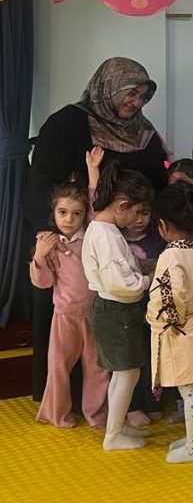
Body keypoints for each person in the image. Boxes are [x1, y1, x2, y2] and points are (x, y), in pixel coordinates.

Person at [25, 57, 169, 403]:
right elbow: (41, 182)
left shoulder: (144, 131)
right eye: (130, 93)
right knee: (69, 331)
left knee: (121, 330)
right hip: (72, 243)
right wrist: (48, 232)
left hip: (132, 239)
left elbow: (158, 181)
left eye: (142, 96)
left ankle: (120, 402)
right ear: (108, 87)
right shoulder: (67, 123)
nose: (135, 102)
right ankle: (65, 402)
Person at [145, 184, 193, 464]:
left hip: (180, 330)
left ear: (163, 225)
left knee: (189, 390)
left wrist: (161, 319)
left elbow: (169, 295)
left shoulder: (170, 256)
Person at [81, 163, 154, 451]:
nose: (137, 219)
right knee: (127, 373)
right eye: (136, 212)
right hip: (117, 310)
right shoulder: (107, 235)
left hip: (113, 309)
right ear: (122, 205)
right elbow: (122, 283)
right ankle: (113, 435)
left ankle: (116, 426)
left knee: (123, 373)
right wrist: (148, 279)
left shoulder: (102, 228)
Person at [32, 175, 109, 429]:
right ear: (53, 213)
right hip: (65, 316)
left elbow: (97, 207)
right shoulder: (48, 243)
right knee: (59, 368)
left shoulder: (92, 238)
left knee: (98, 368)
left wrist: (93, 171)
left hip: (95, 314)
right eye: (62, 212)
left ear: (84, 215)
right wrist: (40, 256)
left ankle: (96, 415)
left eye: (77, 214)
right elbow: (43, 282)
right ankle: (57, 414)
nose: (69, 219)